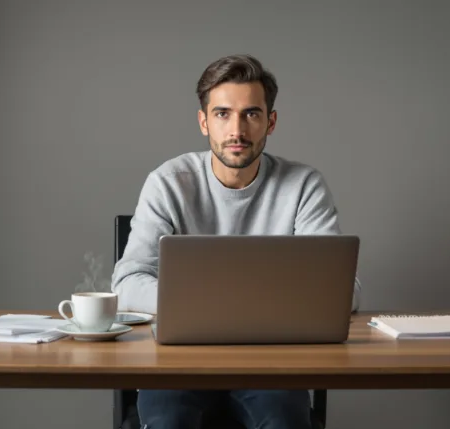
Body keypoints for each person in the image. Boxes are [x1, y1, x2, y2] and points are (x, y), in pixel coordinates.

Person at [111, 54, 361, 429]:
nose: (237, 131)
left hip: (271, 367)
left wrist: (210, 304)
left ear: (270, 122)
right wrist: (222, 304)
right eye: (223, 114)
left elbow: (343, 291)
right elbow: (127, 283)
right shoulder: (168, 182)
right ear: (203, 121)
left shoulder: (303, 186)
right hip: (177, 364)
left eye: (251, 114)